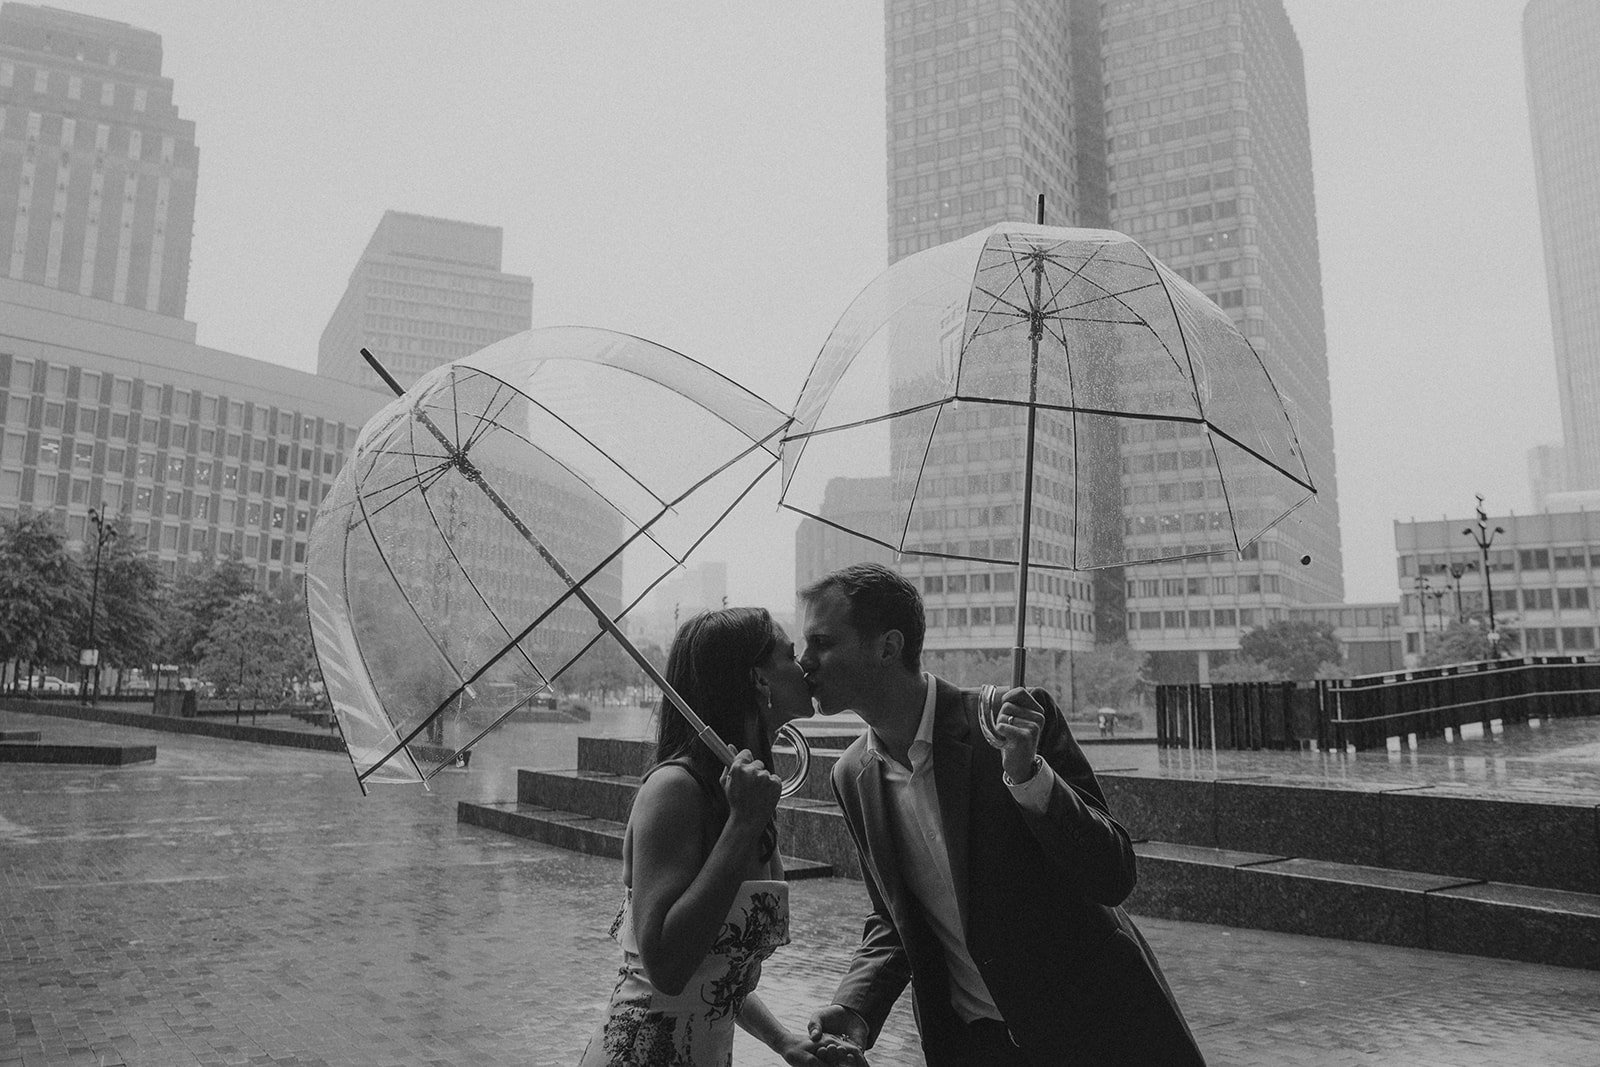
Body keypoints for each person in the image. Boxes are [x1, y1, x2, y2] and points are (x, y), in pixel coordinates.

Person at [799, 564, 1205, 1066]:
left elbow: (1113, 874)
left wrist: (1029, 778)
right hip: (974, 1047)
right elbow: (894, 918)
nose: (804, 662)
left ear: (887, 647)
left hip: (1095, 1034)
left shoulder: (1011, 726)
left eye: (821, 643)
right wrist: (854, 1009)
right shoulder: (852, 775)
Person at [579, 607, 853, 1066]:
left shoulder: (743, 796)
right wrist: (742, 827)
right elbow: (667, 966)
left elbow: (718, 973)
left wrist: (782, 1040)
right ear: (758, 680)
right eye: (789, 654)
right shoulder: (675, 790)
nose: (803, 663)